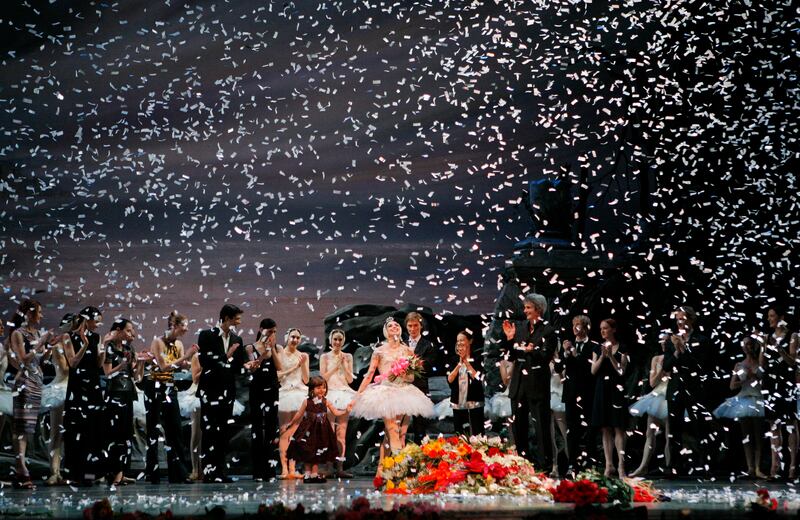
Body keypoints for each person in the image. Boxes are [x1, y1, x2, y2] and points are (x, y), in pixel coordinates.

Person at [352, 317, 434, 461]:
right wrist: (358, 395)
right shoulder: (379, 351)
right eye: (390, 326)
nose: (394, 327)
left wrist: (403, 374)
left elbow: (412, 378)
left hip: (404, 392)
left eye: (396, 325)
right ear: (386, 331)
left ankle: (382, 468)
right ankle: (400, 464)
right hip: (386, 392)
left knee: (398, 433)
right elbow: (370, 374)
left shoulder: (407, 351)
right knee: (392, 429)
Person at [500, 293, 557, 468]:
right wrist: (510, 340)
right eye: (525, 308)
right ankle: (522, 464)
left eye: (528, 308)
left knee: (541, 427)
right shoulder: (521, 328)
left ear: (538, 309)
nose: (525, 311)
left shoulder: (548, 331)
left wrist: (530, 350)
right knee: (518, 427)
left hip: (537, 384)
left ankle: (544, 466)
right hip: (519, 384)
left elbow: (546, 356)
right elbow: (511, 355)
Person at [662, 306, 714, 477]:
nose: (680, 322)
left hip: (694, 388)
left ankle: (702, 465)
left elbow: (701, 364)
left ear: (691, 319)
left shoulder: (702, 340)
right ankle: (674, 466)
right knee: (674, 430)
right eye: (678, 319)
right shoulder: (671, 341)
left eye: (683, 318)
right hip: (676, 388)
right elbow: (667, 366)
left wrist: (685, 348)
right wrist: (677, 350)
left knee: (699, 427)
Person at [145, 311, 196, 484]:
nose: (186, 329)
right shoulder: (158, 342)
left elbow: (180, 365)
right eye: (183, 326)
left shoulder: (179, 344)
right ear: (173, 326)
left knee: (175, 431)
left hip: (170, 388)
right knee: (153, 430)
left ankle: (178, 474)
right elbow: (163, 366)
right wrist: (186, 356)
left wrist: (192, 361)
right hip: (155, 388)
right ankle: (153, 474)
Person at [8, 300, 53, 489]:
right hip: (24, 382)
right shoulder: (18, 333)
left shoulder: (36, 333)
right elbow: (23, 360)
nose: (41, 316)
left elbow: (41, 361)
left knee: (28, 428)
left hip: (37, 382)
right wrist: (40, 343)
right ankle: (21, 468)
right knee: (21, 427)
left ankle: (21, 467)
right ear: (29, 313)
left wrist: (48, 347)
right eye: (39, 312)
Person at [197, 304, 244, 483]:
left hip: (227, 391)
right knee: (209, 431)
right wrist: (226, 355)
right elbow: (205, 361)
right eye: (236, 319)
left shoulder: (235, 338)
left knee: (224, 432)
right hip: (210, 390)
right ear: (226, 318)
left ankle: (221, 472)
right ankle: (208, 472)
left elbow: (237, 366)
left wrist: (247, 366)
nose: (238, 322)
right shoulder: (206, 335)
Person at [63, 306, 106, 486]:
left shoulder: (97, 337)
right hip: (77, 386)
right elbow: (72, 362)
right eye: (96, 320)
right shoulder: (68, 337)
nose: (98, 324)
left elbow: (98, 364)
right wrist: (85, 345)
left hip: (93, 385)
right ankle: (74, 473)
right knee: (76, 429)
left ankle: (91, 474)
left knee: (92, 430)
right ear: (86, 319)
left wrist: (103, 350)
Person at [283, 376, 354, 483]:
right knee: (308, 451)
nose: (322, 390)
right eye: (318, 388)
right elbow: (299, 414)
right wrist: (291, 423)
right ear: (312, 389)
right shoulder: (307, 402)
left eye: (324, 387)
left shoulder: (325, 401)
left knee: (317, 451)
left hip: (321, 430)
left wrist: (346, 411)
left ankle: (314, 474)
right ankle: (307, 474)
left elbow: (336, 412)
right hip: (308, 429)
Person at [714, 334, 765, 478]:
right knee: (747, 436)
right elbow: (732, 386)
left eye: (749, 344)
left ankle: (758, 467)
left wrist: (754, 376)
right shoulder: (739, 365)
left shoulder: (759, 362)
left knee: (758, 436)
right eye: (744, 344)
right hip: (743, 399)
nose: (746, 347)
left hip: (757, 399)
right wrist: (745, 379)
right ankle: (750, 467)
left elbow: (763, 378)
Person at [103, 318, 142, 487]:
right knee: (116, 434)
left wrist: (140, 361)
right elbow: (107, 373)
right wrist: (122, 365)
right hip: (114, 394)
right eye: (127, 330)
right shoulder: (109, 348)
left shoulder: (129, 348)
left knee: (127, 434)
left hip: (128, 394)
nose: (130, 333)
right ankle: (115, 473)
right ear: (118, 330)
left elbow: (137, 377)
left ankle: (123, 472)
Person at [556, 315, 598, 472]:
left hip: (587, 393)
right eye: (574, 325)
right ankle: (572, 464)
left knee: (589, 430)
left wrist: (574, 353)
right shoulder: (568, 345)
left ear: (586, 327)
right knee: (571, 430)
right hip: (571, 393)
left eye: (579, 325)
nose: (575, 328)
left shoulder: (593, 346)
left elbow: (587, 369)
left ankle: (590, 463)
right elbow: (559, 368)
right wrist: (566, 354)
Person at [244, 318, 283, 481]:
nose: (272, 334)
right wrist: (262, 354)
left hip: (272, 389)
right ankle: (258, 470)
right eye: (269, 331)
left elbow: (280, 367)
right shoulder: (250, 347)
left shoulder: (278, 347)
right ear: (261, 330)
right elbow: (253, 368)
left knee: (272, 427)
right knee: (257, 428)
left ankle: (270, 469)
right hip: (257, 389)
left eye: (274, 331)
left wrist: (272, 348)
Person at [629, 332, 671, 477]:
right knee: (649, 433)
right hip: (657, 394)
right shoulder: (656, 359)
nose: (664, 344)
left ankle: (668, 466)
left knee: (668, 434)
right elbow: (653, 382)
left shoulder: (676, 357)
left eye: (666, 341)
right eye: (662, 341)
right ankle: (643, 466)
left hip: (670, 395)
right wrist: (661, 370)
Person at [761, 308, 797, 479]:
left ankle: (792, 466)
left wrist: (780, 350)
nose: (770, 319)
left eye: (773, 316)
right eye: (768, 316)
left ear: (781, 317)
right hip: (771, 383)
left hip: (786, 383)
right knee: (773, 425)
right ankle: (775, 466)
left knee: (790, 424)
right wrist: (762, 347)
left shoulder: (793, 336)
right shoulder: (768, 337)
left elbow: (793, 363)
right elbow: (763, 365)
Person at [591, 318, 628, 478]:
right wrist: (602, 356)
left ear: (613, 329)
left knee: (618, 427)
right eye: (601, 329)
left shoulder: (622, 347)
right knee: (605, 428)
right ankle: (608, 464)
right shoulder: (597, 348)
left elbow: (622, 371)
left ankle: (621, 465)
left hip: (616, 389)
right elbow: (593, 370)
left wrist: (611, 356)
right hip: (601, 389)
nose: (603, 331)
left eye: (605, 328)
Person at [320, 328, 356, 477]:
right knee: (330, 432)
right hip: (330, 394)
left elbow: (350, 379)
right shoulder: (325, 357)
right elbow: (324, 377)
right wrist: (336, 365)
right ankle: (329, 467)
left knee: (342, 433)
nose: (337, 342)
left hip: (344, 393)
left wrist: (345, 366)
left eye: (340, 339)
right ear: (330, 340)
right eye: (335, 339)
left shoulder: (347, 356)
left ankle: (340, 467)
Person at [276, 327, 309, 479]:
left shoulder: (303, 356)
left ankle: (292, 468)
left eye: (297, 337)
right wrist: (294, 367)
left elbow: (307, 379)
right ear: (287, 337)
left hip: (299, 393)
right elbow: (278, 376)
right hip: (284, 393)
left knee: (295, 433)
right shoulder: (280, 352)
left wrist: (301, 364)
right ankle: (283, 468)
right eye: (292, 337)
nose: (295, 340)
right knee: (284, 431)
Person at [43, 314, 72, 486]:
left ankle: (67, 470)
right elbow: (65, 368)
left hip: (73, 390)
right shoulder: (59, 347)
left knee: (71, 434)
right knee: (56, 433)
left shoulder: (73, 346)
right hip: (61, 389)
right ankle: (54, 472)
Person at [405, 312, 437, 443]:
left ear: (421, 326)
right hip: (402, 387)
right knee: (403, 422)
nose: (413, 329)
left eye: (415, 325)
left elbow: (428, 366)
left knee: (419, 423)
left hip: (419, 387)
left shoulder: (428, 345)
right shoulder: (401, 344)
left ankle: (420, 452)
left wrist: (411, 365)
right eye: (410, 326)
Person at [447, 330, 485, 436]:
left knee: (477, 432)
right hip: (458, 400)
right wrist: (459, 364)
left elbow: (478, 378)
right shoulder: (453, 359)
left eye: (462, 340)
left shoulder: (477, 358)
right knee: (460, 433)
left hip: (474, 399)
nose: (460, 343)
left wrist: (466, 362)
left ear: (470, 341)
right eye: (458, 341)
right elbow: (450, 379)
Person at [549, 353, 568, 477]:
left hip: (559, 396)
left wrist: (558, 364)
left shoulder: (564, 357)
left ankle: (569, 463)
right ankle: (554, 465)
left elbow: (563, 379)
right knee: (550, 434)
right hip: (546, 395)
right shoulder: (544, 357)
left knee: (564, 432)